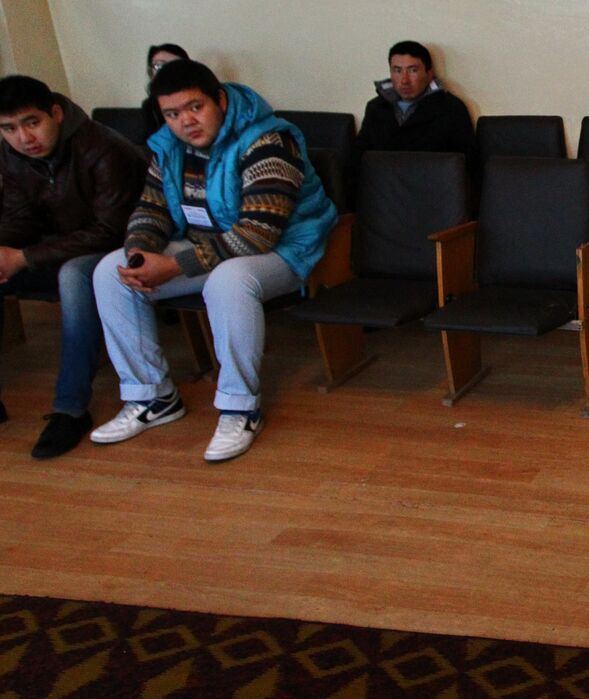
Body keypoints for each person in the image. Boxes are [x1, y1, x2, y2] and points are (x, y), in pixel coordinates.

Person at [89, 60, 337, 462]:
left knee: (229, 279)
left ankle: (240, 407)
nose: (185, 121)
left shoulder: (269, 141)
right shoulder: (167, 148)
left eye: (194, 107)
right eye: (172, 114)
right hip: (206, 247)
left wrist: (172, 266)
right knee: (110, 272)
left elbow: (258, 234)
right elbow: (151, 209)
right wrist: (140, 254)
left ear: (219, 100)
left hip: (285, 249)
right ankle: (152, 397)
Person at [0, 75, 147, 458]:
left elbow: (110, 230)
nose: (22, 137)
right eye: (9, 128)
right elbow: (20, 217)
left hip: (120, 249)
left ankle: (70, 409)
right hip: (61, 247)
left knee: (73, 275)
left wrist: (25, 258)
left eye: (32, 122)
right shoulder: (13, 154)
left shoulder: (102, 148)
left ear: (56, 113)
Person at [356, 40, 476, 162]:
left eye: (413, 70)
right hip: (384, 180)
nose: (404, 80)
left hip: (431, 179)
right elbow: (360, 159)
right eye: (397, 70)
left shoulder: (452, 109)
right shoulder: (375, 108)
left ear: (429, 74)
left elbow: (466, 164)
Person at [141, 43, 191, 137]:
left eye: (176, 65)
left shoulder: (201, 97)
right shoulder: (150, 107)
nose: (168, 71)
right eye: (160, 66)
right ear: (150, 73)